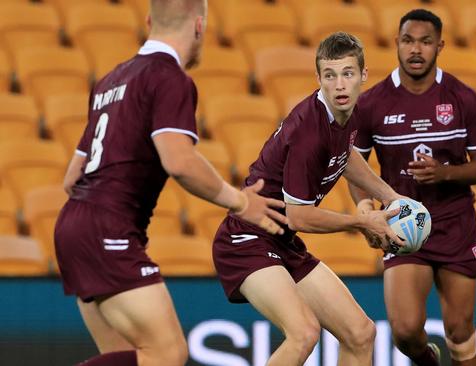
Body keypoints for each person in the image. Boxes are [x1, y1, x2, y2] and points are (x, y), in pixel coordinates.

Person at [54, 1, 288, 365]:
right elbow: (179, 161)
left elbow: (71, 179)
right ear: (199, 26)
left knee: (126, 357)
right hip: (108, 227)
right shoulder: (169, 78)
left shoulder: (110, 80)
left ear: (149, 21)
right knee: (168, 355)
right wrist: (241, 202)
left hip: (74, 224)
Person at [212, 32, 406, 366]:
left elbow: (344, 155)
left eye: (347, 73)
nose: (340, 85)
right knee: (303, 333)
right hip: (246, 239)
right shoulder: (309, 133)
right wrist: (361, 222)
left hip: (282, 241)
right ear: (318, 79)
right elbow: (299, 216)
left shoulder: (352, 112)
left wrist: (391, 196)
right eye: (330, 76)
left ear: (363, 75)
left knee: (361, 333)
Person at [349, 9, 476, 366]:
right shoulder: (372, 103)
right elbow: (354, 168)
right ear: (396, 44)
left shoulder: (464, 98)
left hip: (455, 223)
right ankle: (427, 360)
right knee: (404, 330)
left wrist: (444, 173)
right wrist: (365, 209)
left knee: (460, 332)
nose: (416, 49)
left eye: (425, 42)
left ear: (440, 46)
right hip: (403, 223)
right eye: (408, 41)